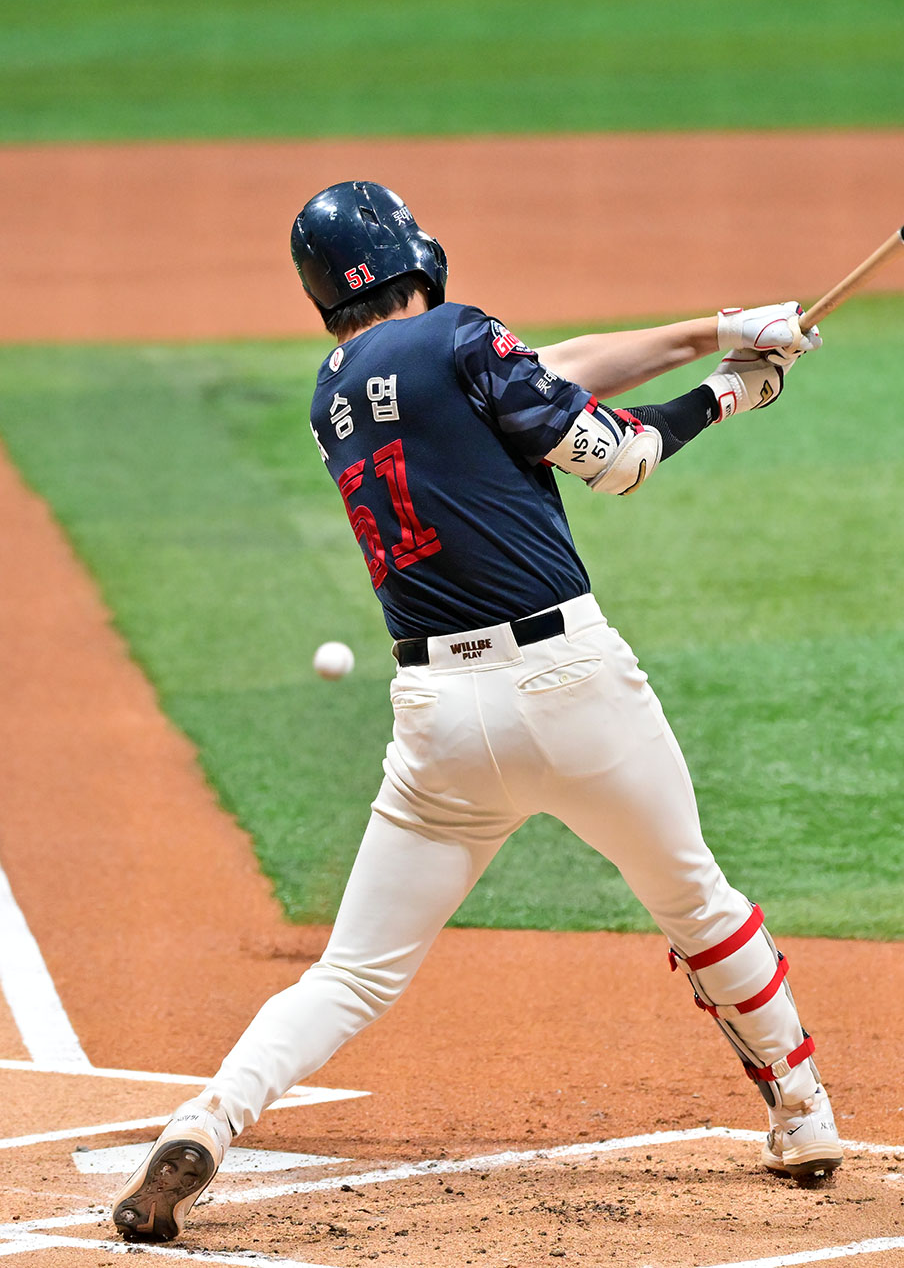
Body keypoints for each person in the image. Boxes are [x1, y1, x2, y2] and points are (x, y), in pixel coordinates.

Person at [112, 180, 843, 1242]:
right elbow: (622, 459)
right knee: (698, 904)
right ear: (418, 256)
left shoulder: (337, 394)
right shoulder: (462, 337)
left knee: (353, 974)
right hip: (573, 691)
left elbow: (556, 368)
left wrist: (721, 329)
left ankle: (205, 1124)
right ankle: (804, 1114)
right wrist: (733, 395)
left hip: (438, 725)